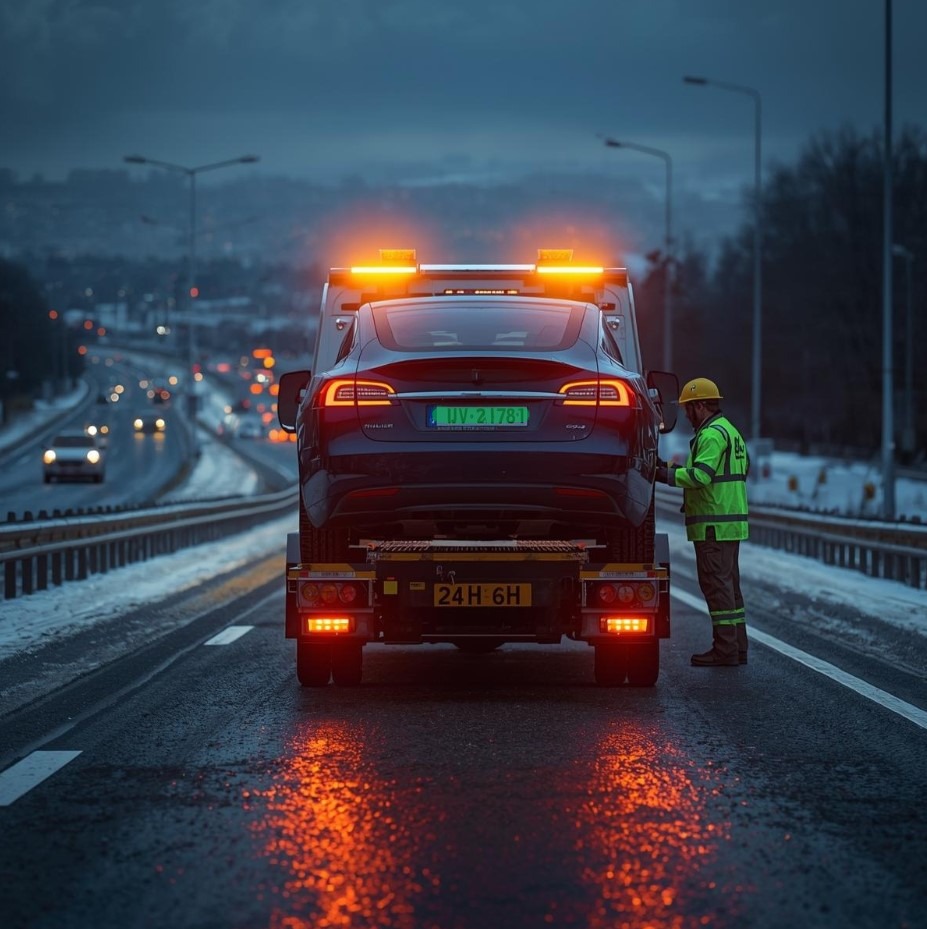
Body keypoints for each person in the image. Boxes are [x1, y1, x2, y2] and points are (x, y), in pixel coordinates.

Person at [656, 377, 750, 667]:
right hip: (729, 524)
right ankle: (737, 647)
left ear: (699, 406)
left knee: (716, 587)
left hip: (713, 526)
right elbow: (735, 470)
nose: (686, 414)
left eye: (687, 408)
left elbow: (701, 476)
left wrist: (662, 475)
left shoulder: (710, 435)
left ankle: (725, 650)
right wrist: (669, 466)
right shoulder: (730, 431)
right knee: (729, 588)